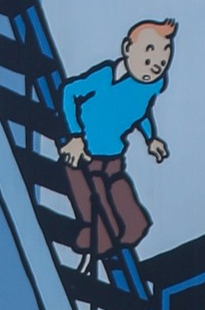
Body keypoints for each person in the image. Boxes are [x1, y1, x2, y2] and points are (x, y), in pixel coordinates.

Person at [57, 18, 176, 262]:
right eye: (148, 60)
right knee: (105, 227)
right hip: (84, 159)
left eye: (161, 63)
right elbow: (69, 92)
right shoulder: (105, 76)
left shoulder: (151, 85)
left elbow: (141, 112)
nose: (154, 67)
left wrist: (150, 138)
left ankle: (97, 245)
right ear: (127, 49)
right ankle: (92, 242)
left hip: (113, 160)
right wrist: (75, 136)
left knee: (136, 225)